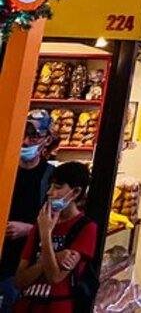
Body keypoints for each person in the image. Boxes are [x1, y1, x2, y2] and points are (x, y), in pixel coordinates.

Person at [13, 161, 97, 313]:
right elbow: (19, 280)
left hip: (58, 306)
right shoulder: (41, 222)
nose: (49, 192)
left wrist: (46, 235)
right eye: (50, 186)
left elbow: (55, 277)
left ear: (76, 192)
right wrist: (55, 257)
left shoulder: (86, 228)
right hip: (27, 305)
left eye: (57, 187)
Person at [1, 111, 56, 313]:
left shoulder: (51, 177)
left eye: (33, 136)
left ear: (47, 139)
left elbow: (58, 223)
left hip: (25, 267)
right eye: (23, 133)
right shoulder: (5, 168)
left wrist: (29, 229)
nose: (25, 142)